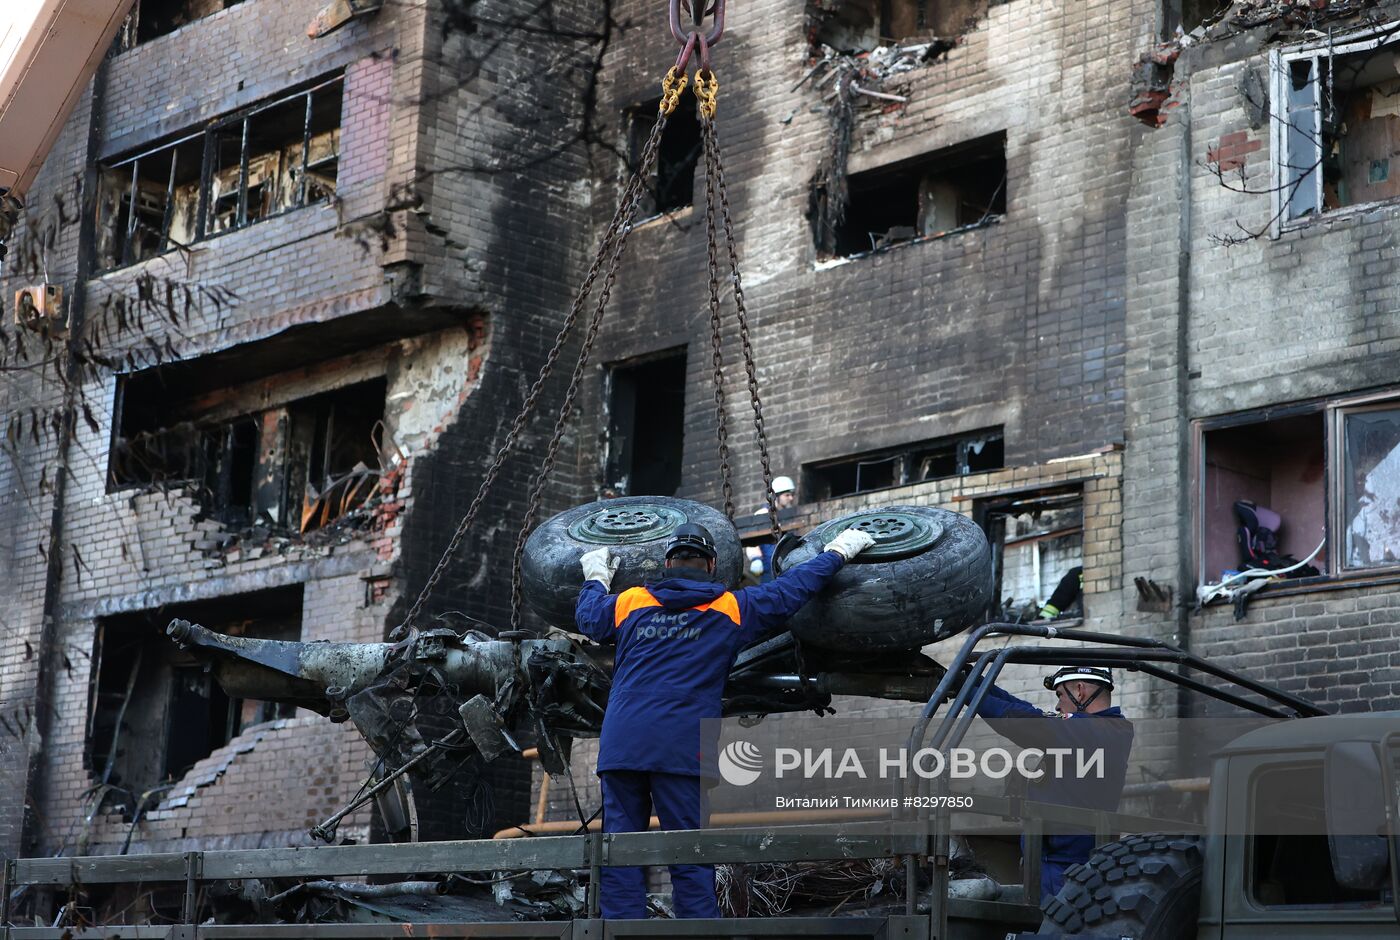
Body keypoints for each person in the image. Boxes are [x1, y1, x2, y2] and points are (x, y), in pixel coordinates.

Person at [574, 521, 875, 919]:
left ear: (667, 562)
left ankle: (620, 933)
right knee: (690, 853)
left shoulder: (629, 602)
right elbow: (793, 590)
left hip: (623, 744)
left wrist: (595, 576)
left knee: (621, 851)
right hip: (682, 748)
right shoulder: (731, 608)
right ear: (712, 565)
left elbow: (589, 617)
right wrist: (837, 553)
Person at [973, 665, 1133, 904]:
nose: (1058, 705)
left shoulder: (1098, 731)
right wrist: (976, 683)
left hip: (1069, 869)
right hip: (1054, 863)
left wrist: (969, 694)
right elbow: (1026, 712)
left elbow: (1024, 720)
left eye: (1059, 694)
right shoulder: (1096, 730)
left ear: (1080, 691)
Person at [746, 475, 798, 583]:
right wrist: (756, 559)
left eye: (792, 495)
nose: (791, 498)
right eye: (787, 495)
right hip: (768, 565)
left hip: (786, 564)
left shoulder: (787, 516)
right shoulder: (762, 515)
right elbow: (753, 540)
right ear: (776, 496)